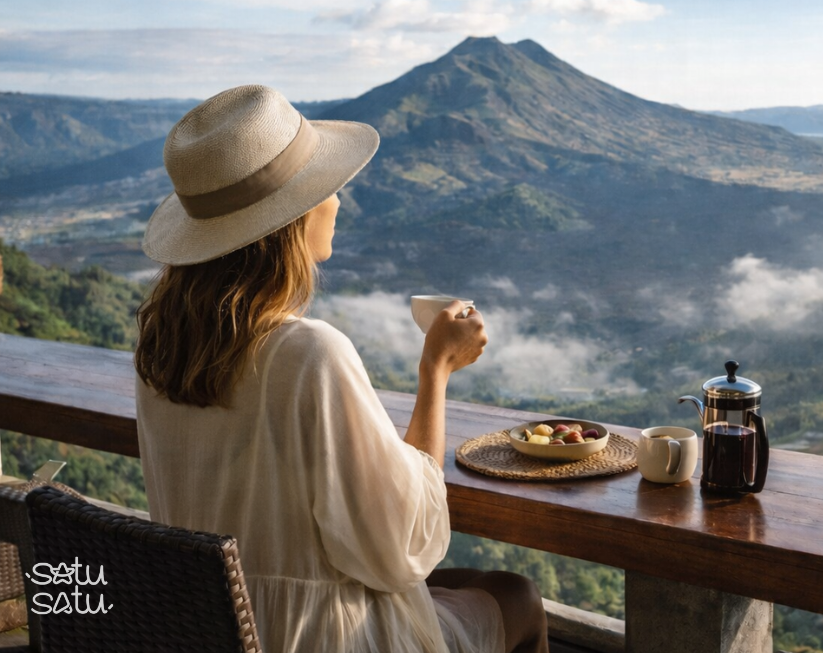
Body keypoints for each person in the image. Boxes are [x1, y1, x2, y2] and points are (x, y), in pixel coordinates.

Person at [133, 85, 548, 653]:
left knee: (458, 589)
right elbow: (399, 549)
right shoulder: (308, 354)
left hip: (205, 624)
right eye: (326, 188)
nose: (338, 200)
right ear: (292, 218)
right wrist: (437, 370)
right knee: (516, 596)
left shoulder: (159, 349)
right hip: (318, 638)